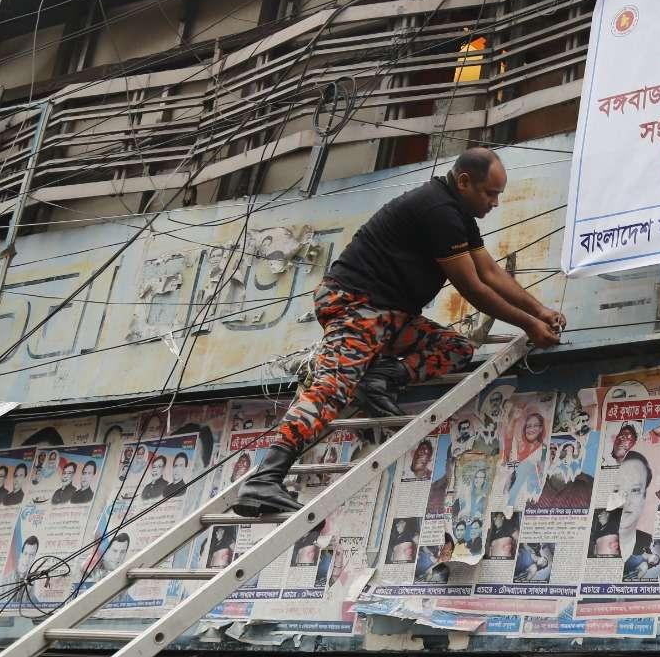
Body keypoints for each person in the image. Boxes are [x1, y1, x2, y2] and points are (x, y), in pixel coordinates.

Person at [233, 149, 565, 516]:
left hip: (390, 317)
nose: (494, 203)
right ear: (464, 182)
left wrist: (540, 311)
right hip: (357, 305)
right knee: (331, 389)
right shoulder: (438, 210)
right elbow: (473, 288)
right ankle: (265, 479)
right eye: (490, 193)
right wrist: (529, 325)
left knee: (456, 348)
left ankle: (380, 378)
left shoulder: (459, 214)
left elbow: (490, 272)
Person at [590, 452, 655, 560]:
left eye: (635, 490)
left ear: (644, 497)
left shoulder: (646, 541)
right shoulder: (594, 529)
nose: (626, 501)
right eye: (616, 490)